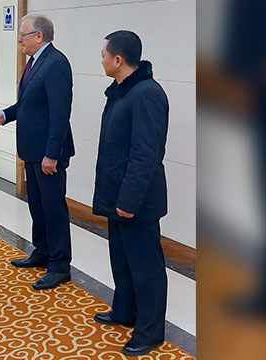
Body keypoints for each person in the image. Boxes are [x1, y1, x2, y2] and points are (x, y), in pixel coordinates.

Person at [91, 30, 169, 357]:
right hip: (117, 196)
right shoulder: (123, 90)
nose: (102, 59)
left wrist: (127, 202)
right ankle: (124, 311)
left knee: (146, 268)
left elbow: (145, 154)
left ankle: (150, 332)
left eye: (104, 54)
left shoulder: (146, 94)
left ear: (118, 60)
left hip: (135, 201)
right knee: (122, 261)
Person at [0, 14, 75, 290]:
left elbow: (60, 114)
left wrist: (52, 154)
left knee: (53, 209)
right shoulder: (34, 63)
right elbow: (28, 104)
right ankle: (42, 251)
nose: (19, 40)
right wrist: (5, 114)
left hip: (47, 154)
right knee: (37, 206)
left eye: (23, 35)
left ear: (39, 36)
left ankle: (60, 265)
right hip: (31, 150)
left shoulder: (56, 64)